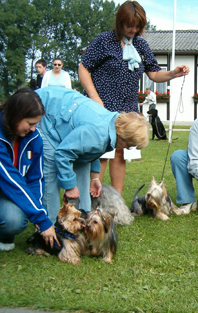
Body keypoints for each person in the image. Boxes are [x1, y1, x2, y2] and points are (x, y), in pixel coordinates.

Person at [78, 0, 189, 195]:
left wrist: (173, 73)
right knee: (101, 153)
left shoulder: (141, 45)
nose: (133, 29)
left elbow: (154, 73)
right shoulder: (104, 40)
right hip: (101, 107)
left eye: (138, 26)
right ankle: (92, 200)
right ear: (120, 21)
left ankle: (116, 202)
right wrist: (95, 98)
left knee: (120, 152)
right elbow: (83, 67)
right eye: (130, 25)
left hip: (126, 109)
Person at [0, 89, 56, 275]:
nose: (33, 129)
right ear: (16, 116)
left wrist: (40, 213)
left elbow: (35, 179)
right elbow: (10, 179)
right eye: (30, 123)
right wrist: (41, 219)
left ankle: (3, 235)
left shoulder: (34, 138)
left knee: (14, 221)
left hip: (2, 190)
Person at [36, 86, 149, 223]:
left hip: (64, 113)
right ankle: (51, 226)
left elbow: (89, 152)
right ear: (123, 138)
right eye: (130, 145)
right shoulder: (97, 134)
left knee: (82, 168)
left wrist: (94, 178)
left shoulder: (112, 127)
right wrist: (70, 186)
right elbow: (62, 153)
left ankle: (83, 220)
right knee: (51, 170)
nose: (130, 148)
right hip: (45, 112)